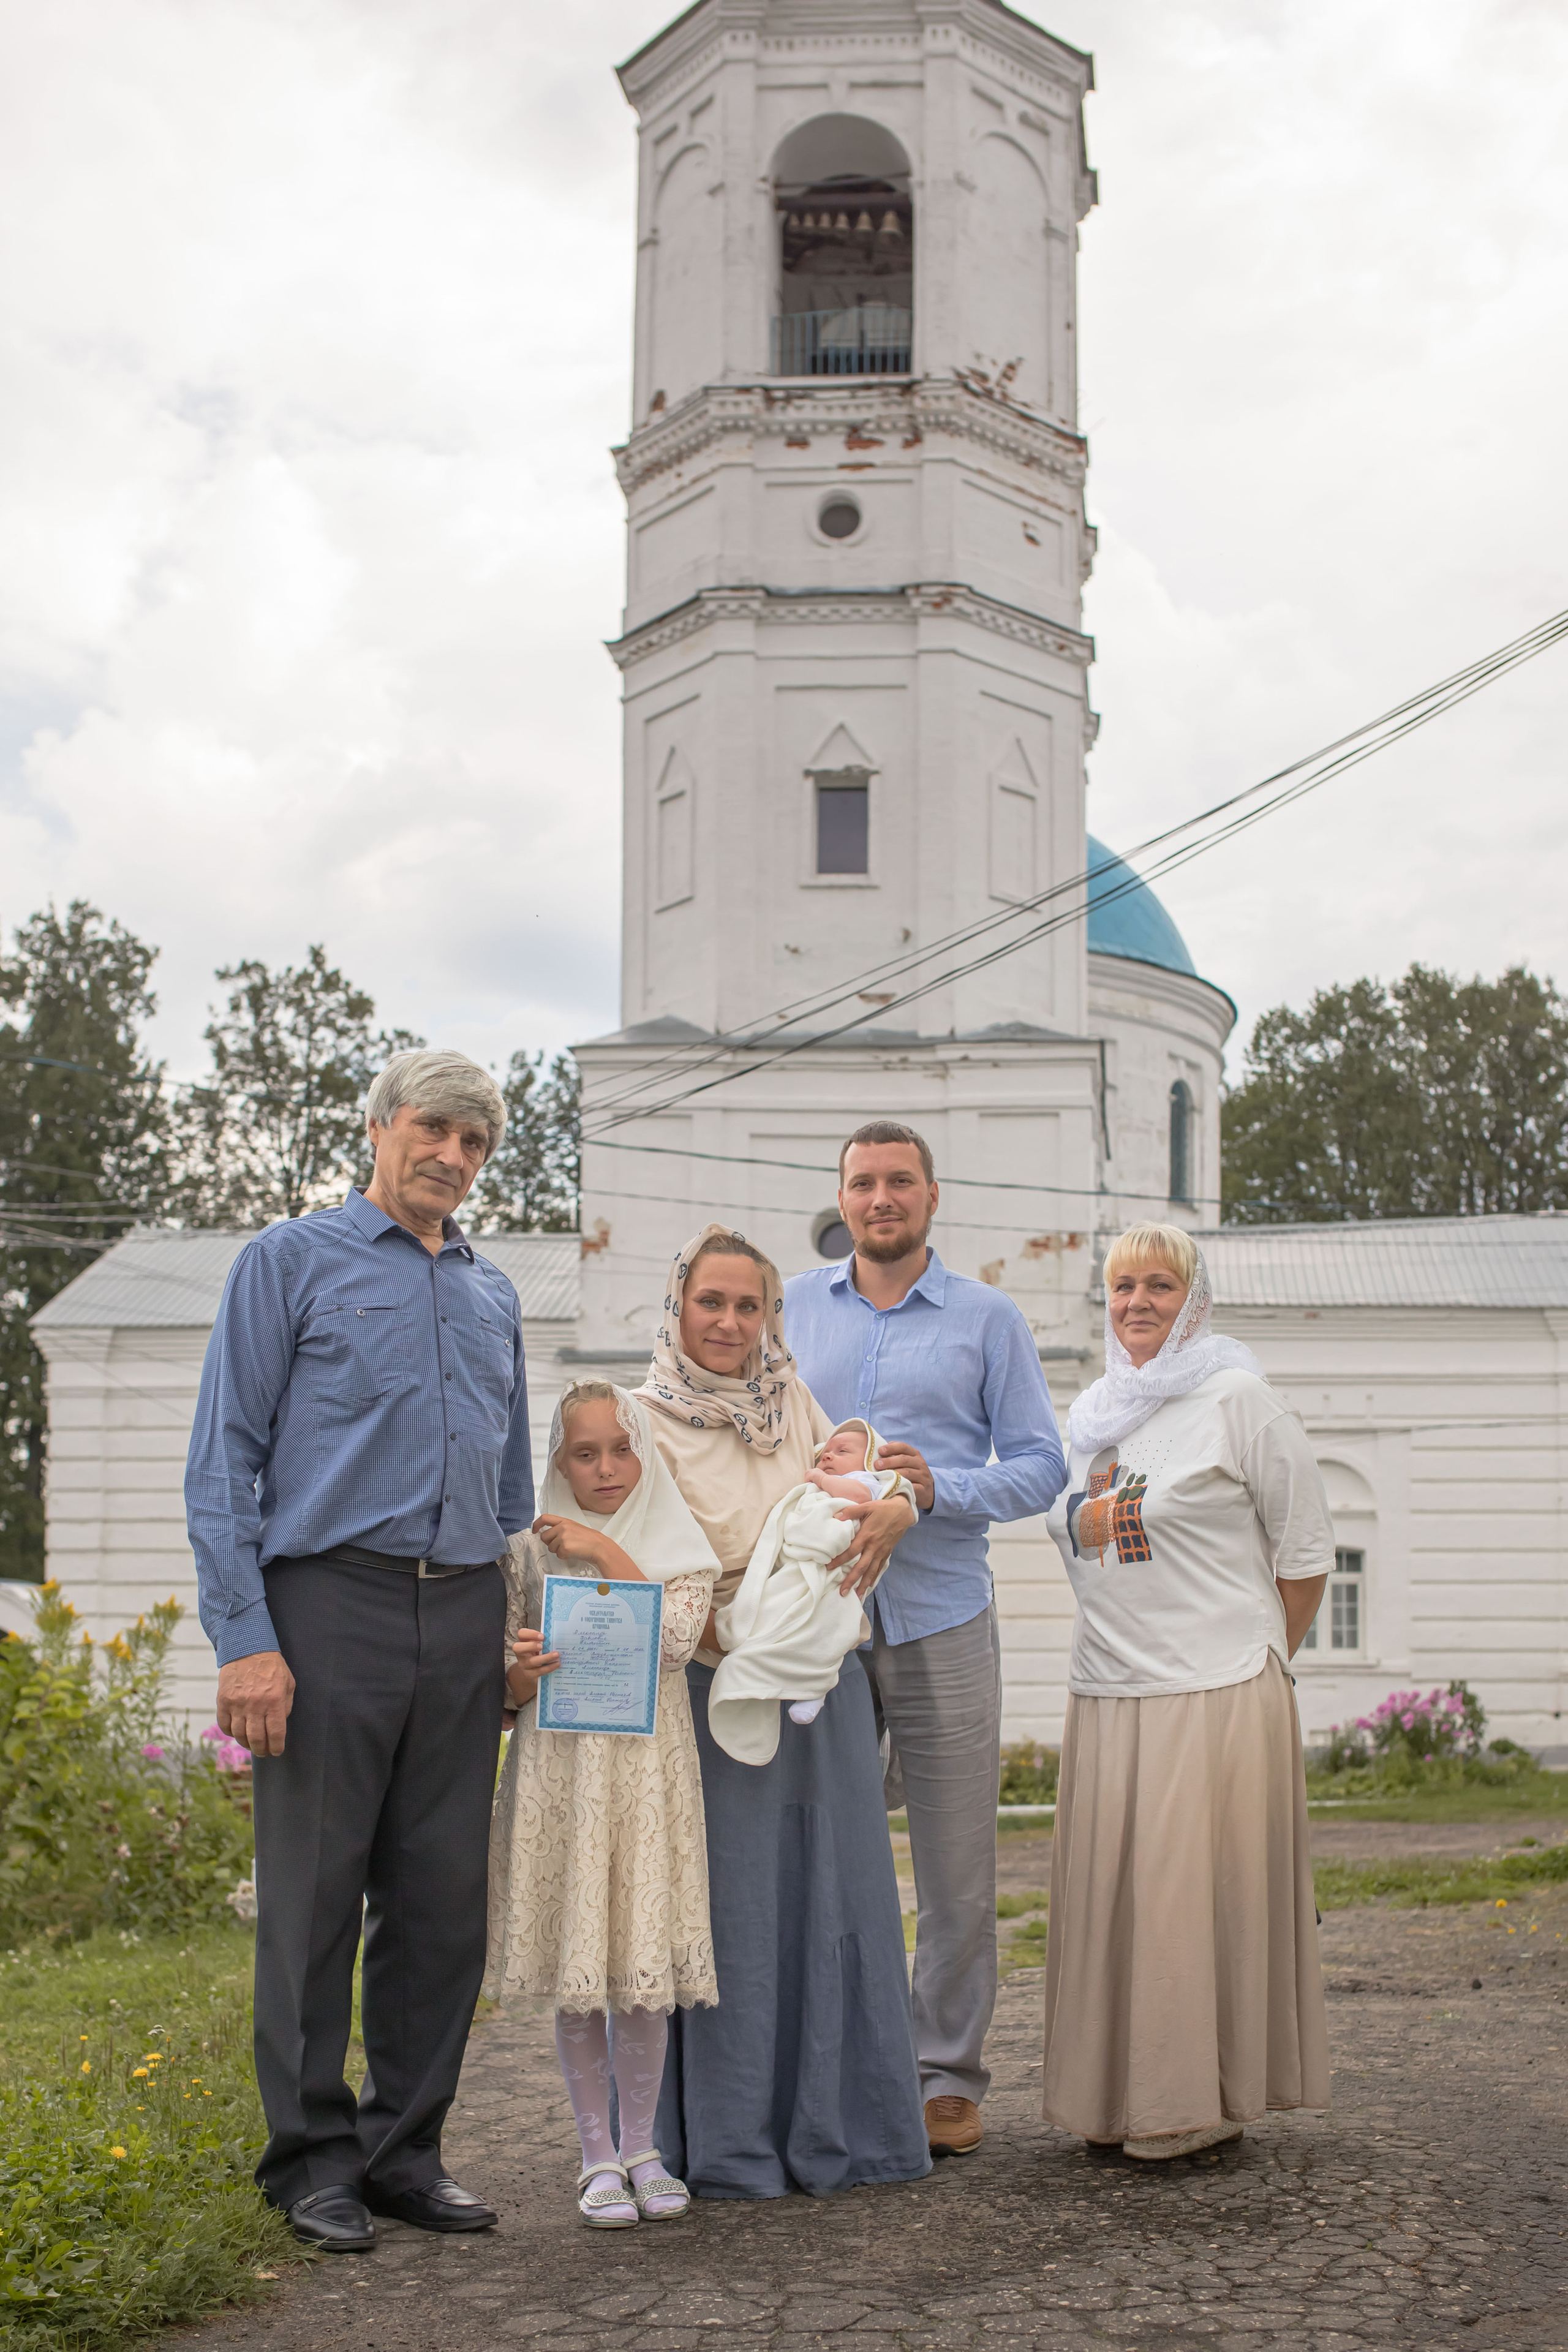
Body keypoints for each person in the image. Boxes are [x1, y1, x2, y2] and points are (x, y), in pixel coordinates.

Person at [184, 1049, 533, 2254]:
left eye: (476, 1144)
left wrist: (509, 1631)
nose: (452, 1156)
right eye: (433, 1129)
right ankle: (309, 2164)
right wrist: (246, 1637)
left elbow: (511, 1489)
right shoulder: (286, 1265)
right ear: (381, 1126)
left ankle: (404, 2154)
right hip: (326, 1608)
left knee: (442, 1909)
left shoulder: (494, 1298)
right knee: (315, 1900)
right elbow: (223, 1458)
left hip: (464, 1615)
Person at [785, 1121, 1067, 2160]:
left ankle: (946, 2077)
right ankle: (844, 2066)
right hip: (816, 1623)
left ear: (932, 1197)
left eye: (899, 1181)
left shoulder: (989, 1319)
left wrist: (937, 1489)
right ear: (843, 1198)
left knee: (956, 1871)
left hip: (944, 1612)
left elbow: (1041, 1467)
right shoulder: (792, 1309)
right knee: (824, 1854)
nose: (880, 1199)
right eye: (862, 1183)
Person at [638, 1224, 931, 2199]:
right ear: (677, 1305)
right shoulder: (642, 1421)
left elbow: (866, 1491)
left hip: (827, 1689)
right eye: (710, 1302)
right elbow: (635, 1563)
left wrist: (899, 1507)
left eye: (748, 1305)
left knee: (840, 1902)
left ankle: (852, 2133)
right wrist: (730, 1641)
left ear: (771, 1316)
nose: (728, 1322)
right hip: (714, 1691)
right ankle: (730, 2144)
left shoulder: (797, 1405)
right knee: (736, 1914)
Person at [1041, 1221, 1332, 2160]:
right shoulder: (1094, 1415)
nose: (1138, 1304)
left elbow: (1307, 1554)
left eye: (1160, 1285)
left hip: (1213, 1692)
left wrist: (1259, 1663)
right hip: (1111, 1689)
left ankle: (1196, 2105)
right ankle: (1115, 2102)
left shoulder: (1238, 1397)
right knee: (1117, 1907)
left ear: (1194, 1298)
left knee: (1188, 1904)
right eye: (1123, 1286)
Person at [486, 1382, 720, 2228]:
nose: (606, 1467)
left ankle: (644, 2147)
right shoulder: (527, 1550)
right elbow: (503, 1689)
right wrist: (517, 1670)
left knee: (642, 1971)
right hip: (564, 1774)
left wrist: (602, 1551)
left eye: (621, 1448)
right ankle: (596, 2156)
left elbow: (674, 1641)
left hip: (647, 1776)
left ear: (644, 1454)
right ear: (558, 1461)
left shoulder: (677, 1545)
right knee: (584, 1970)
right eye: (584, 1453)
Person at [707, 1419, 917, 1755]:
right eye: (824, 1454)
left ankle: (814, 1686)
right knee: (774, 1617)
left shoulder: (863, 1482)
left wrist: (820, 1479)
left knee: (825, 1627)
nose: (828, 1456)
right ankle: (760, 1670)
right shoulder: (821, 1488)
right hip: (801, 1568)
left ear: (868, 1461)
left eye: (842, 1451)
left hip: (833, 1571)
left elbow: (858, 1498)